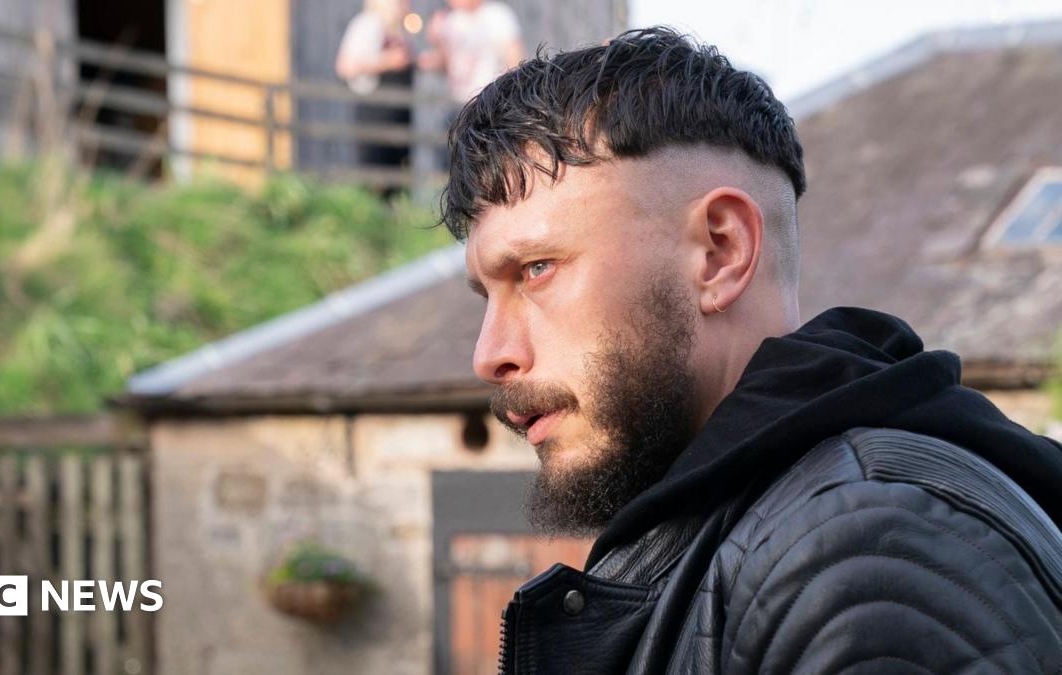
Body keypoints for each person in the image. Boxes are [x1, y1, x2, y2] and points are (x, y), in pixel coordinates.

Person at [446, 26, 1062, 673]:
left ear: (721, 251)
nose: (490, 354)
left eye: (536, 269)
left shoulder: (857, 559)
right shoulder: (756, 535)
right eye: (486, 294)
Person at [336, 0, 414, 181]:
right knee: (375, 173)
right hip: (376, 112)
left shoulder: (397, 28)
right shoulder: (367, 24)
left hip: (398, 116)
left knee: (398, 173)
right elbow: (345, 67)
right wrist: (388, 61)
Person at [417, 0, 523, 104]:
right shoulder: (451, 19)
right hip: (458, 101)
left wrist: (509, 95)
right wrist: (433, 54)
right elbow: (446, 64)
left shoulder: (497, 15)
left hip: (491, 101)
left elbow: (514, 60)